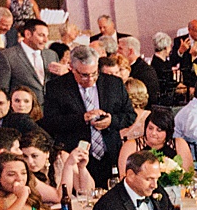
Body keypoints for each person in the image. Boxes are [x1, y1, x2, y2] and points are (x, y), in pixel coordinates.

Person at [41, 45, 132, 187]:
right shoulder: (57, 87)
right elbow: (50, 123)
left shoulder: (113, 83)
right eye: (84, 75)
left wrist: (111, 121)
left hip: (110, 154)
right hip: (77, 156)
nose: (90, 79)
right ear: (71, 67)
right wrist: (82, 118)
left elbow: (129, 115)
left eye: (94, 73)